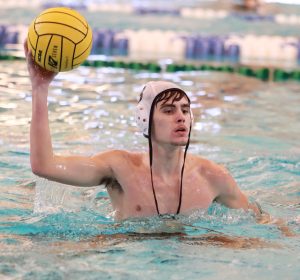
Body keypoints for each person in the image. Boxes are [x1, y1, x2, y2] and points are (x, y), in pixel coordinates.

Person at [23, 41, 279, 226]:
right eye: (168, 110)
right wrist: (40, 88)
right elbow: (44, 165)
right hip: (123, 249)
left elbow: (259, 219)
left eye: (185, 109)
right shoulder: (119, 168)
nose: (181, 116)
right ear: (145, 121)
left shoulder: (212, 176)